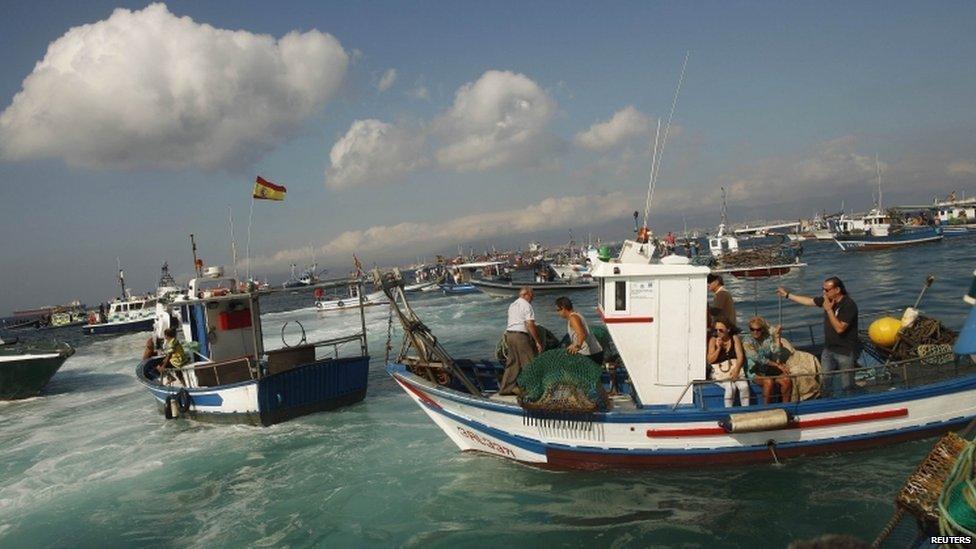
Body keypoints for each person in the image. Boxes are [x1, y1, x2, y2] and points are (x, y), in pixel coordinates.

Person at [777, 277, 859, 396]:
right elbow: (809, 301)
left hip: (844, 351)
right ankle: (828, 402)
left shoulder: (848, 305)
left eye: (827, 290)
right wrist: (787, 295)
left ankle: (850, 404)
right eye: (823, 289)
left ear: (837, 289)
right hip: (829, 349)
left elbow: (840, 329)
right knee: (825, 381)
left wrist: (829, 310)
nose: (824, 293)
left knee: (847, 384)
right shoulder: (827, 300)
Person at [500, 288, 544, 395]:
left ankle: (505, 388)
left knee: (512, 363)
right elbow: (529, 324)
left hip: (509, 335)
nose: (533, 298)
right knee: (530, 363)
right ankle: (533, 390)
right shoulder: (526, 305)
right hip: (520, 336)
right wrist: (537, 341)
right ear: (527, 294)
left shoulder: (512, 305)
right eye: (532, 295)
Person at [742, 316, 793, 404]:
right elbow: (757, 358)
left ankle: (786, 406)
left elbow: (775, 351)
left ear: (762, 329)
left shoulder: (767, 338)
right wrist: (777, 365)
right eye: (752, 329)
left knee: (786, 380)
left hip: (768, 369)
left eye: (758, 329)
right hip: (754, 371)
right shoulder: (747, 341)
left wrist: (777, 338)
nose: (755, 332)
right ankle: (767, 407)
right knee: (768, 381)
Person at [707, 318, 750, 407]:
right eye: (716, 330)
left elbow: (740, 356)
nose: (718, 332)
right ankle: (728, 412)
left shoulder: (734, 338)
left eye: (721, 330)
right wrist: (718, 348)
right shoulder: (713, 340)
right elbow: (710, 360)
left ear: (728, 330)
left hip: (734, 369)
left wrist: (737, 370)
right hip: (719, 373)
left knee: (744, 387)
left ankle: (746, 410)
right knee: (731, 388)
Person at [555, 296, 604, 365]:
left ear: (563, 308)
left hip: (590, 355)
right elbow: (579, 334)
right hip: (594, 353)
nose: (558, 313)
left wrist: (577, 347)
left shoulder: (573, 318)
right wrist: (573, 345)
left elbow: (581, 334)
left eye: (558, 310)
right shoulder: (576, 315)